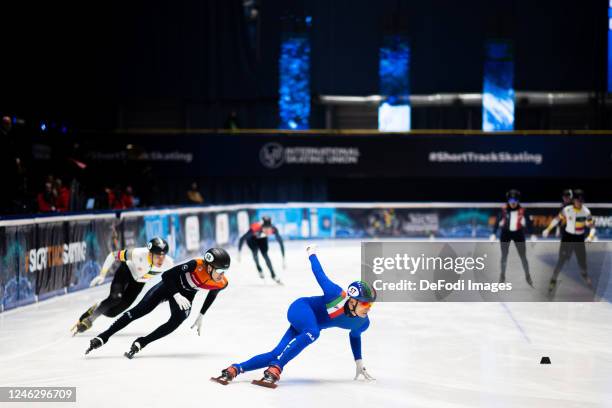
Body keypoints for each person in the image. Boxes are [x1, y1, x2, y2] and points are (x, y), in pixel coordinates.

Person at [212, 244, 375, 388]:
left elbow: (355, 336)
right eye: (366, 303)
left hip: (307, 327)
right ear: (352, 301)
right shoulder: (336, 294)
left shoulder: (362, 323)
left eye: (371, 304)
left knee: (275, 352)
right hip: (301, 309)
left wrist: (358, 361)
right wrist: (312, 253)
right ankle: (276, 368)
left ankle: (235, 369)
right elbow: (319, 274)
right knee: (313, 332)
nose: (369, 308)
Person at [85, 247, 230, 359]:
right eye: (220, 270)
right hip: (168, 286)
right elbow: (167, 275)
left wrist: (201, 314)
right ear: (209, 267)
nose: (222, 275)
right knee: (139, 311)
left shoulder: (222, 283)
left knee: (176, 321)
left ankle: (142, 342)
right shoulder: (195, 265)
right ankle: (103, 336)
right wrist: (176, 294)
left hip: (186, 295)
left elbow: (213, 293)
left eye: (224, 271)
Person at [71, 237, 174, 335]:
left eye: (163, 256)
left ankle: (97, 307)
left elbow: (176, 278)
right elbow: (112, 255)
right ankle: (90, 320)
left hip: (139, 282)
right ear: (149, 254)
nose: (161, 260)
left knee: (113, 313)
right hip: (126, 271)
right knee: (115, 298)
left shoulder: (168, 263)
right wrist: (102, 275)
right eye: (157, 256)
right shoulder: (137, 254)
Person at [542, 189, 596, 295]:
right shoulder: (567, 210)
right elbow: (557, 219)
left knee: (582, 263)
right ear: (574, 200)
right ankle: (553, 280)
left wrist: (590, 236)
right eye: (578, 200)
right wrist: (548, 229)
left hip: (579, 239)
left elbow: (592, 227)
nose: (580, 203)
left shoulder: (586, 212)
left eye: (582, 201)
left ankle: (586, 278)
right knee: (561, 260)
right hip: (567, 237)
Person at [490, 189, 533, 286]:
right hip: (505, 234)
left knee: (523, 256)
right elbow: (497, 221)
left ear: (518, 200)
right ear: (508, 200)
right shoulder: (503, 209)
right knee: (504, 256)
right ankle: (502, 275)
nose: (513, 203)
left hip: (518, 234)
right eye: (510, 201)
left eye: (515, 201)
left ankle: (527, 275)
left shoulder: (522, 210)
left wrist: (532, 234)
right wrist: (493, 233)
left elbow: (529, 223)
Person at [238, 216, 285, 284]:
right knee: (255, 252)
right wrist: (239, 252)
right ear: (262, 227)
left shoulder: (273, 229)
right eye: (265, 229)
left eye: (268, 229)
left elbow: (281, 243)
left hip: (262, 239)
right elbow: (242, 238)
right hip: (252, 240)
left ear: (271, 228)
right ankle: (259, 269)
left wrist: (283, 258)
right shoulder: (255, 228)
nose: (267, 231)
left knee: (265, 255)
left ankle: (273, 275)